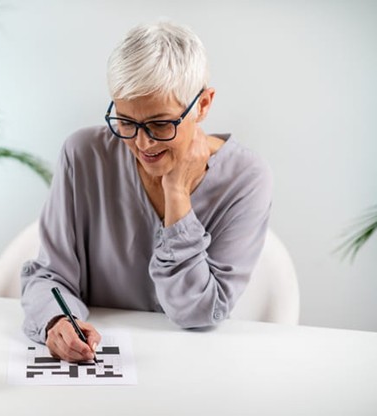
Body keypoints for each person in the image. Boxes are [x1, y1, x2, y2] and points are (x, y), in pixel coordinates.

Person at [20, 21, 272, 363]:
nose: (142, 143)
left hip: (196, 367)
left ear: (203, 105)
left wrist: (177, 197)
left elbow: (201, 313)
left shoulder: (246, 178)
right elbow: (50, 275)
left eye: (160, 123)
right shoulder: (84, 155)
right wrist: (56, 320)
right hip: (97, 365)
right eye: (126, 122)